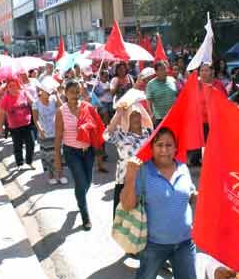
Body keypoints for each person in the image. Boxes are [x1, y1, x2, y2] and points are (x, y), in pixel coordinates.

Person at [120, 127, 197, 279]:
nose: (164, 150)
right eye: (159, 145)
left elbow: (190, 196)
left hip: (185, 243)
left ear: (176, 148)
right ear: (151, 147)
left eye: (169, 145)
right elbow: (128, 205)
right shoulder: (143, 171)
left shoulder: (183, 168)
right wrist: (130, 176)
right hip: (153, 245)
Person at [54, 80, 105, 231]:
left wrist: (89, 124)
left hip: (87, 151)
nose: (75, 95)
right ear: (65, 93)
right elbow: (58, 136)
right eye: (72, 92)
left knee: (87, 182)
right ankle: (85, 216)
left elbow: (97, 127)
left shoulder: (87, 107)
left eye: (77, 92)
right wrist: (57, 157)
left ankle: (79, 197)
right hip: (71, 152)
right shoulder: (61, 111)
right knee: (80, 181)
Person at [104, 103, 153, 216]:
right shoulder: (121, 135)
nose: (136, 118)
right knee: (122, 221)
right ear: (126, 118)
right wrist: (119, 113)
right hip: (124, 181)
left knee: (143, 219)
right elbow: (106, 135)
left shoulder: (148, 134)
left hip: (145, 181)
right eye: (132, 115)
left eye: (138, 115)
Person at [0, 79, 36, 170]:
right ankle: (19, 164)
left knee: (31, 144)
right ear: (7, 88)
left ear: (18, 85)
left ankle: (29, 162)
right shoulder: (5, 99)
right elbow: (1, 113)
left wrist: (26, 92)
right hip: (14, 127)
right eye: (10, 86)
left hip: (27, 124)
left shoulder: (24, 93)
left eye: (14, 85)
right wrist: (0, 127)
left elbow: (33, 103)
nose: (13, 88)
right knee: (17, 146)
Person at [33, 83, 66, 185]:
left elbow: (63, 107)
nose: (48, 93)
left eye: (49, 92)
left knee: (58, 153)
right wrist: (40, 128)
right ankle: (51, 175)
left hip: (56, 130)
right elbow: (35, 119)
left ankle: (61, 174)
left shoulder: (53, 99)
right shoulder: (36, 103)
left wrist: (56, 95)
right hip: (44, 133)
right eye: (46, 92)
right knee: (48, 155)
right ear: (41, 92)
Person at [145, 61, 177, 126]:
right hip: (159, 118)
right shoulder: (151, 84)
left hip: (173, 116)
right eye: (161, 70)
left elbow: (177, 95)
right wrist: (151, 114)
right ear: (156, 72)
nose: (164, 71)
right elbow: (149, 101)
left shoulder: (172, 80)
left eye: (165, 69)